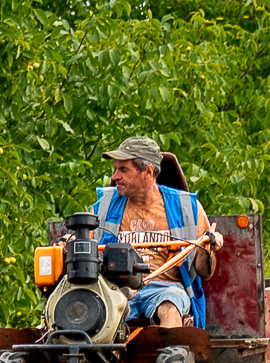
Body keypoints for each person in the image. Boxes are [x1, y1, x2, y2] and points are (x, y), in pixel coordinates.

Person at [90, 136, 222, 328]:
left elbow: (205, 272)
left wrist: (207, 247)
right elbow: (82, 244)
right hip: (116, 291)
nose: (115, 176)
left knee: (170, 306)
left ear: (148, 171)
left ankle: (172, 356)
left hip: (166, 290)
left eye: (123, 169)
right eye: (115, 169)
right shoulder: (104, 206)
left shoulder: (186, 208)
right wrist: (67, 242)